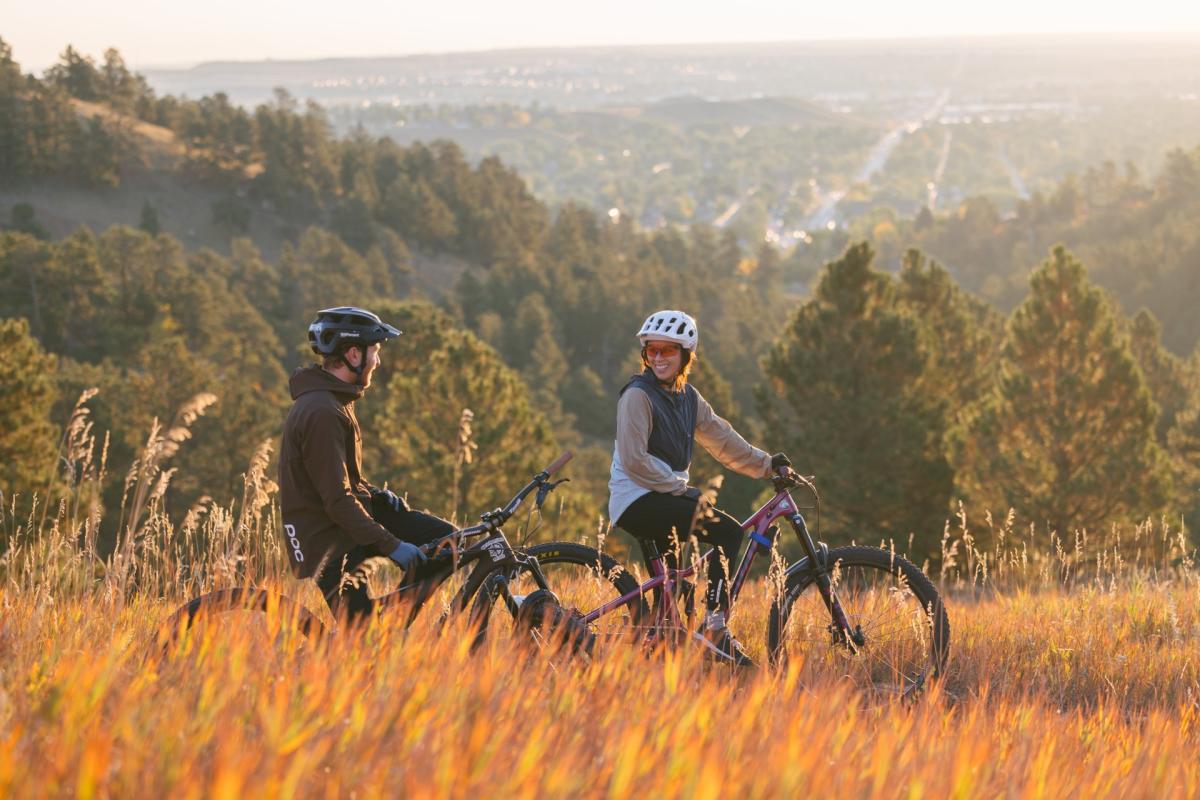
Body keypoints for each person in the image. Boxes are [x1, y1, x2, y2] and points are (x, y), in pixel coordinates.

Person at [609, 310, 791, 666]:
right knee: (728, 533)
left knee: (674, 591)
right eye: (652, 350)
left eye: (667, 350)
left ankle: (659, 656)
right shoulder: (637, 396)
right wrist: (681, 490)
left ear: (685, 356)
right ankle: (715, 627)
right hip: (637, 500)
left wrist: (767, 464)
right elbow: (633, 460)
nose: (658, 358)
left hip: (660, 496)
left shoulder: (688, 398)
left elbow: (723, 440)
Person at [278, 306, 455, 622]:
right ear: (353, 355)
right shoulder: (323, 412)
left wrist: (374, 494)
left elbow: (338, 480)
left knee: (449, 544)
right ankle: (375, 634)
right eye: (375, 351)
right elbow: (336, 499)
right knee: (359, 636)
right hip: (329, 542)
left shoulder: (333, 400)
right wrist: (393, 546)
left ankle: (391, 626)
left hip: (345, 525)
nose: (378, 361)